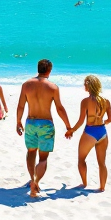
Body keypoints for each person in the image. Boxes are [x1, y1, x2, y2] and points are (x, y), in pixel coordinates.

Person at [15, 59, 72, 197]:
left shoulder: (26, 85)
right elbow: (59, 108)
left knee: (31, 152)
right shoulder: (53, 87)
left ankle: (32, 178)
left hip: (30, 123)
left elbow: (21, 105)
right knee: (43, 158)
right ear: (49, 71)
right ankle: (36, 182)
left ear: (38, 69)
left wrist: (18, 121)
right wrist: (68, 126)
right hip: (46, 124)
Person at [65, 75, 111, 192]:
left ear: (88, 85)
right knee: (102, 163)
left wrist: (71, 130)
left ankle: (84, 183)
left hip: (90, 132)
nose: (84, 86)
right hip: (102, 132)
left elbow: (81, 121)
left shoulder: (85, 102)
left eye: (85, 84)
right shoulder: (106, 101)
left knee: (81, 159)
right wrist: (104, 122)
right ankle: (102, 187)